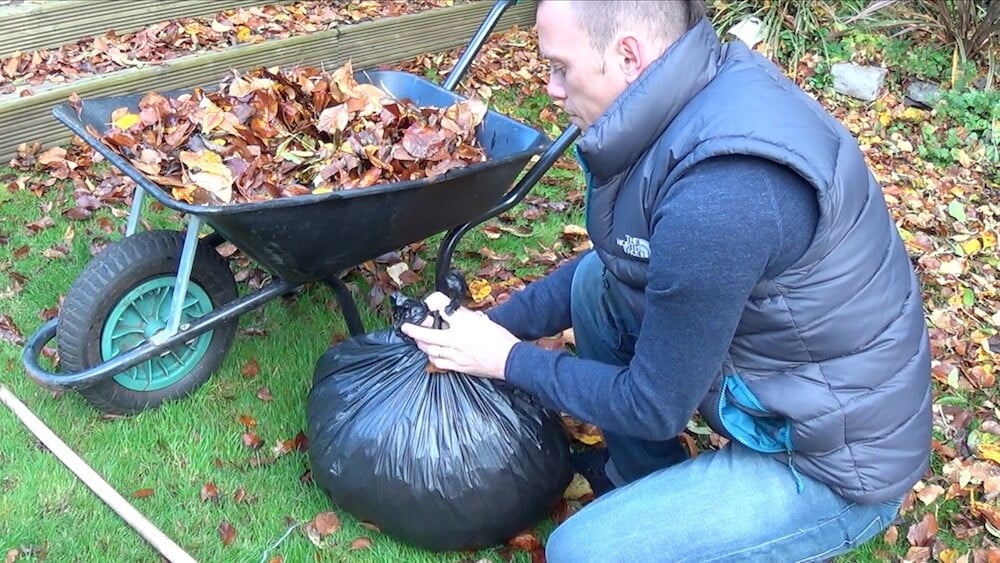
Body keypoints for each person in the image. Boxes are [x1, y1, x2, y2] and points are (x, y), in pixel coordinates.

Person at [401, 0, 932, 560]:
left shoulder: (723, 192)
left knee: (582, 552)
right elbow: (610, 266)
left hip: (831, 462)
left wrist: (506, 359)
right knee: (593, 290)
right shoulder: (691, 97)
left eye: (561, 67)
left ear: (628, 55)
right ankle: (645, 482)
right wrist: (479, 328)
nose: (552, 89)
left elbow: (654, 404)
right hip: (787, 391)